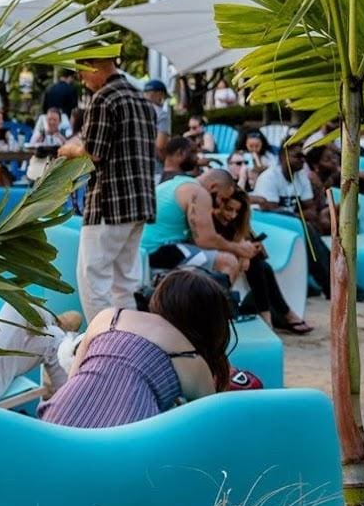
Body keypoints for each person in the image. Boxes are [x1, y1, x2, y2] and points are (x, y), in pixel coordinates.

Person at [42, 268, 234, 429]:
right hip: (127, 439)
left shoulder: (109, 317)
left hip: (59, 418)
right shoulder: (191, 359)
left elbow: (74, 378)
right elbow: (209, 428)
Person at [60, 54, 158, 320]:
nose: (81, 79)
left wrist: (68, 149)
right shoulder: (142, 100)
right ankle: (128, 341)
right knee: (125, 282)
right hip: (140, 202)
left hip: (110, 201)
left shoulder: (104, 98)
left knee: (93, 278)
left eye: (82, 72)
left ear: (94, 67)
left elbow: (93, 152)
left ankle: (104, 344)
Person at [210, 184, 311, 334]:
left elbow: (246, 243)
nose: (232, 215)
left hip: (238, 262)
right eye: (229, 209)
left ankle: (272, 317)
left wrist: (246, 251)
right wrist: (243, 253)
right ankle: (279, 315)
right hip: (218, 260)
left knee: (261, 265)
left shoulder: (236, 223)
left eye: (237, 211)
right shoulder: (209, 220)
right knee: (260, 266)